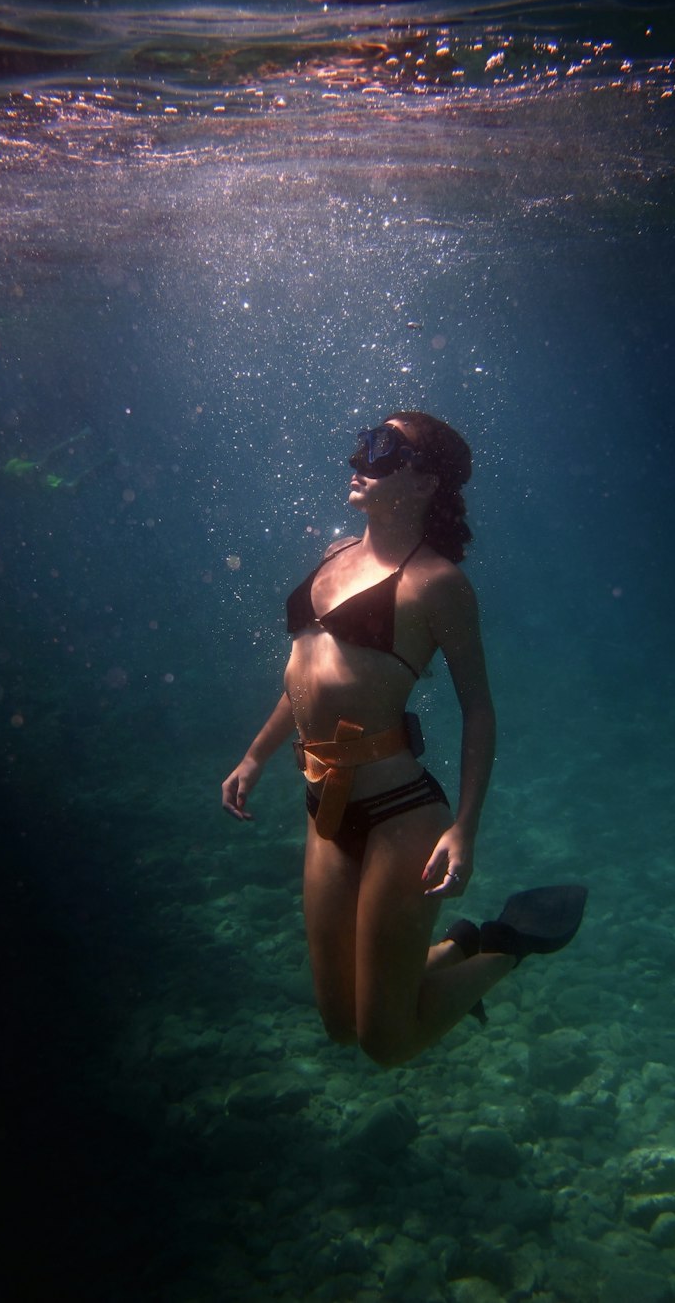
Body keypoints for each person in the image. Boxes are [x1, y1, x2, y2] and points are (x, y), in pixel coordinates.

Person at [222, 411, 586, 1066]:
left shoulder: (438, 584)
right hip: (324, 808)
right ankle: (457, 946)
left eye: (384, 447)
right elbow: (307, 677)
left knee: (384, 1040)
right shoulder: (335, 555)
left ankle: (505, 947)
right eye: (364, 439)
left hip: (401, 815)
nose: (360, 457)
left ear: (423, 483)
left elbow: (478, 708)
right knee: (339, 1022)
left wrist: (465, 828)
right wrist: (256, 753)